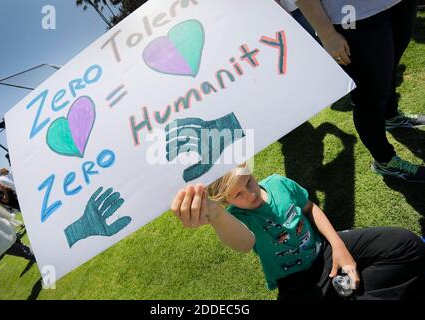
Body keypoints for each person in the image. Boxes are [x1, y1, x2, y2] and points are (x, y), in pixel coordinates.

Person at [171, 164, 425, 300]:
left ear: (249, 168)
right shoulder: (237, 217)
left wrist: (338, 245)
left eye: (248, 182)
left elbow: (310, 207)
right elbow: (243, 242)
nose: (249, 195)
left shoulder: (278, 183)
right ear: (225, 200)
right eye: (237, 195)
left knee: (406, 243)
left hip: (323, 253)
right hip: (294, 282)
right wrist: (216, 215)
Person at [293, 0, 425, 182]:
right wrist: (327, 34)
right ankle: (384, 160)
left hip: (398, 4)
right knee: (369, 93)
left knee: (389, 68)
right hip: (352, 14)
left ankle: (391, 117)